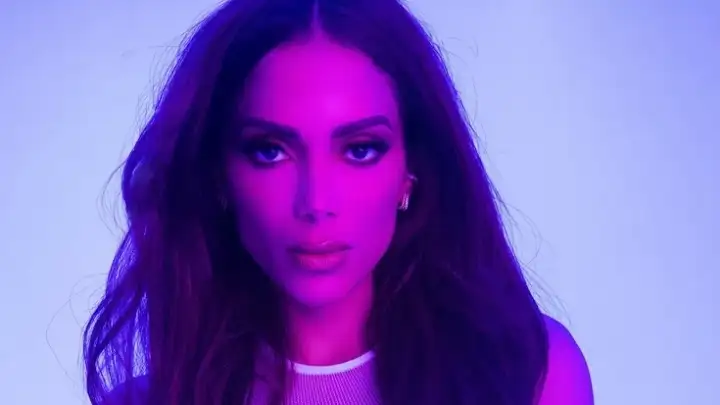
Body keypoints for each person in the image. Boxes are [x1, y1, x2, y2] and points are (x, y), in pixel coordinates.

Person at [83, 0, 593, 404]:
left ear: (410, 172)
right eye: (270, 151)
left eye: (360, 150)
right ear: (218, 176)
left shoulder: (530, 375)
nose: (316, 203)